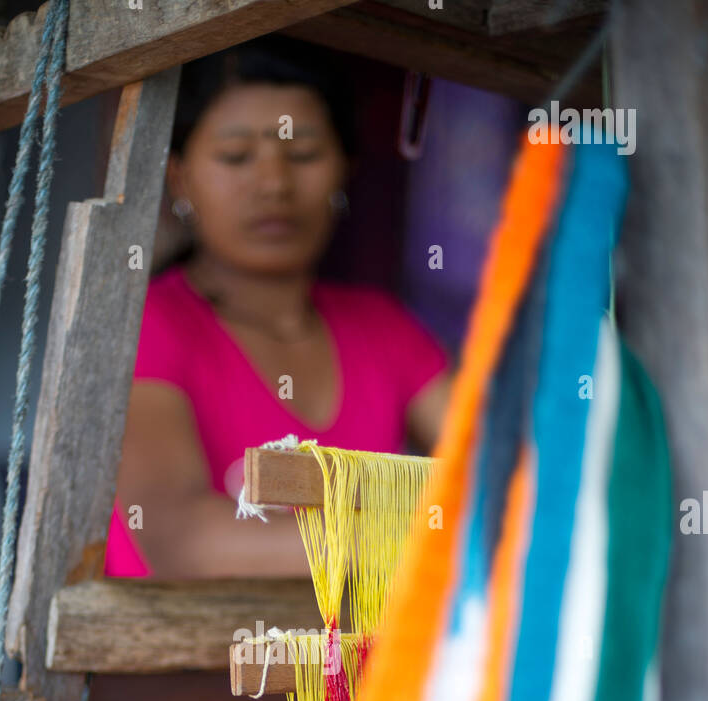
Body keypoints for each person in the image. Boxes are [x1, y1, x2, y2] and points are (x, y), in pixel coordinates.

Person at [106, 38, 450, 581]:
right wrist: (433, 529)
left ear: (345, 170)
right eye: (236, 156)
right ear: (179, 177)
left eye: (304, 153)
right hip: (188, 664)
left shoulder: (384, 328)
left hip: (361, 666)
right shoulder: (145, 325)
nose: (274, 184)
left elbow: (497, 473)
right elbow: (185, 543)